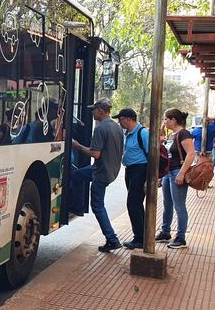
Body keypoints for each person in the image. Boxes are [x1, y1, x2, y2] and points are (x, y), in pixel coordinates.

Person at [70, 98, 124, 252]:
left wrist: (77, 146)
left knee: (97, 205)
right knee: (77, 175)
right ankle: (77, 204)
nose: (92, 112)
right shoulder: (117, 127)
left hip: (101, 172)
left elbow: (95, 153)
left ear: (101, 110)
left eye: (94, 109)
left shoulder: (100, 129)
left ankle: (112, 239)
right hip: (110, 169)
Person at [155, 109, 195, 249]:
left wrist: (182, 173)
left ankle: (181, 237)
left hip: (177, 172)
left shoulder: (184, 134)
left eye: (166, 119)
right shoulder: (173, 134)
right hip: (169, 173)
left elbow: (191, 154)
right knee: (167, 204)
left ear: (174, 120)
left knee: (179, 206)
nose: (165, 122)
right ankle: (166, 232)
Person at [113, 108, 149, 249]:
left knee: (133, 204)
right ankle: (142, 236)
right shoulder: (128, 133)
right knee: (136, 205)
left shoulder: (143, 133)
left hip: (140, 170)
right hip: (130, 171)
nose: (119, 122)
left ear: (128, 119)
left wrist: (150, 178)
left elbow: (151, 155)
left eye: (120, 119)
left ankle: (139, 238)